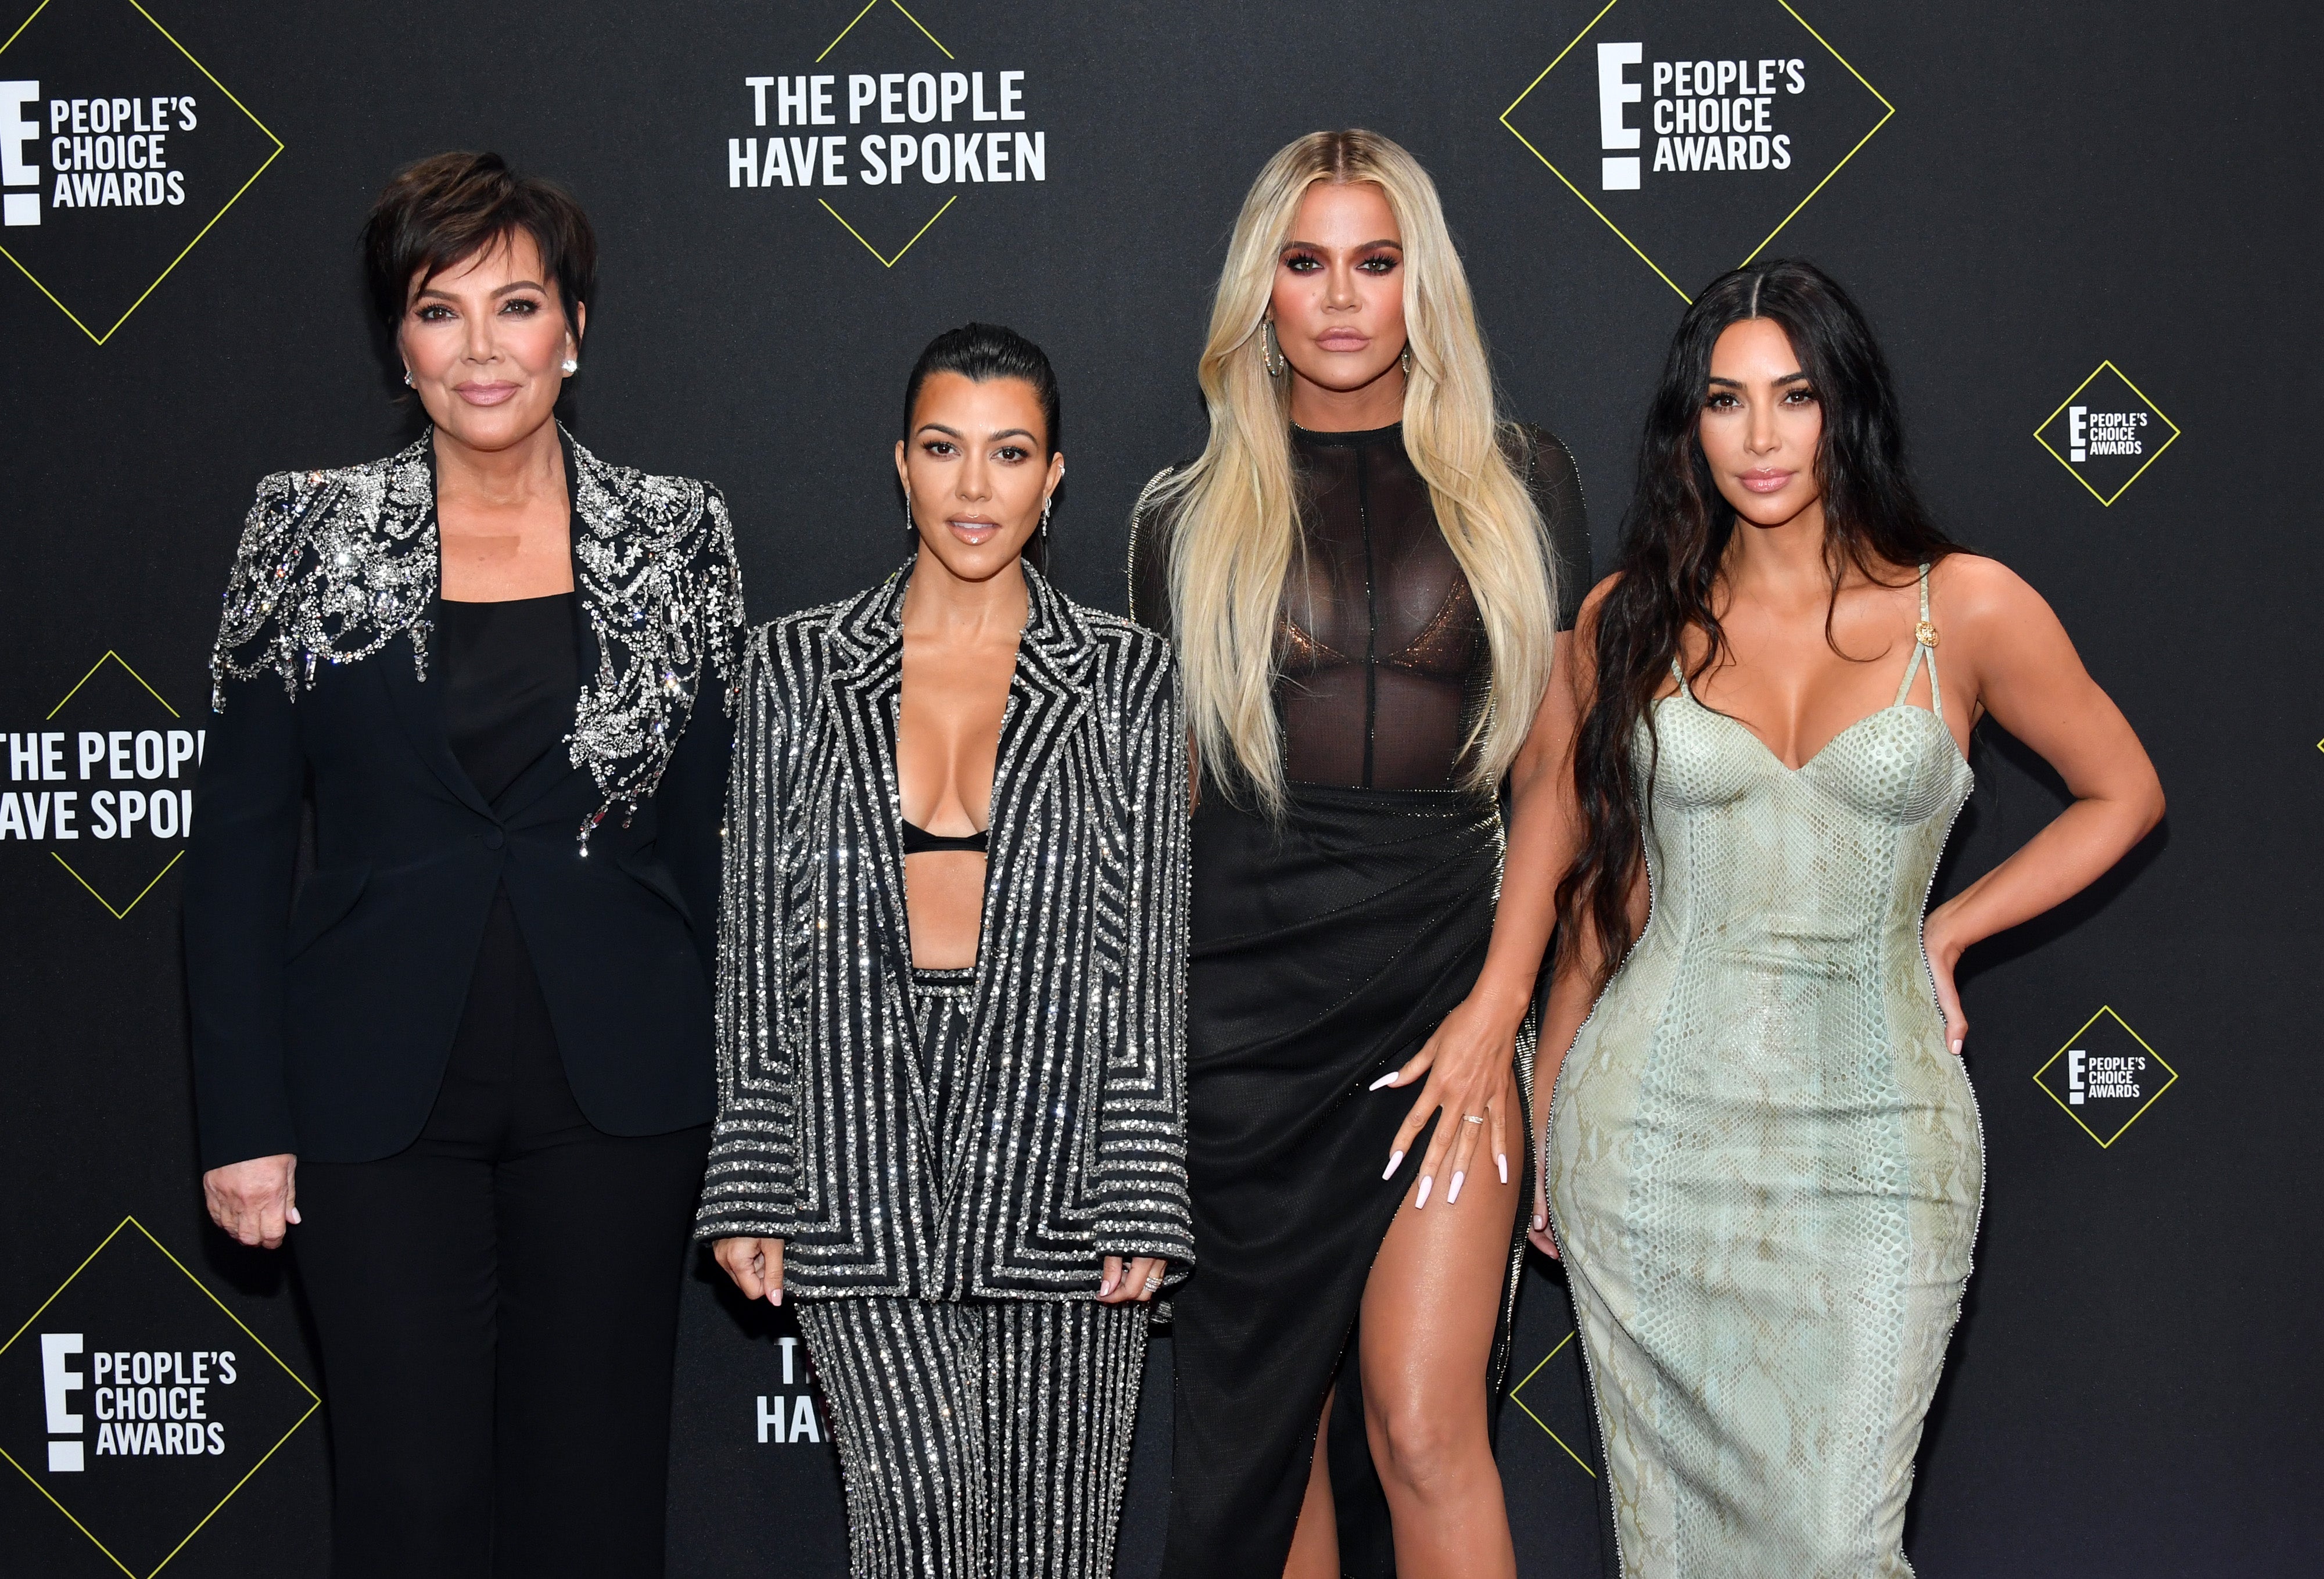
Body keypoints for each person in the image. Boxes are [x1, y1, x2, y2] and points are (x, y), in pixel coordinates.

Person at [1534, 259, 2165, 1577]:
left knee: (1833, 1545)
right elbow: (1598, 900)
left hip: (1877, 1137)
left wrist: (1946, 930)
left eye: (1793, 397)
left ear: (1846, 412)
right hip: (1648, 1135)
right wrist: (1546, 1116)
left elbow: (2123, 793)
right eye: (1723, 401)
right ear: (1686, 425)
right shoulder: (1626, 620)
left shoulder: (1964, 606)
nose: (1758, 438)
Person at [187, 151, 745, 1578]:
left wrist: (761, 1136)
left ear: (575, 329)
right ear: (400, 340)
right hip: (373, 1100)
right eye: (442, 312)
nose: (482, 350)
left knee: (596, 1500)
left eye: (518, 306)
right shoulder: (302, 533)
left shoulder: (678, 536)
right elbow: (241, 848)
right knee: (408, 1498)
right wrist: (242, 1117)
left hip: (620, 1092)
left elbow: (722, 848)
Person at [1130, 130, 1589, 1579]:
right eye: (1305, 261)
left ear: (1420, 286)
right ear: (1257, 292)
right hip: (1243, 1029)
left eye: (1375, 263)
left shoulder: (1522, 483)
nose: (1339, 298)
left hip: (1445, 992)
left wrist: (1497, 1011)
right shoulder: (1178, 519)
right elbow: (1172, 812)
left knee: (1420, 1421)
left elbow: (1552, 780)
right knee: (1272, 1438)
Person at [700, 323, 1191, 1579]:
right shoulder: (797, 669)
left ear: (1055, 475)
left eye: (1008, 453)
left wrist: (1141, 1174)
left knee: (1051, 1555)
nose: (975, 488)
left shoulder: (1127, 678)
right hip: (856, 1157)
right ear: (900, 465)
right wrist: (754, 1172)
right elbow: (762, 941)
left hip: (1064, 1165)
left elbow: (1140, 947)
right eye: (944, 449)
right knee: (914, 1539)